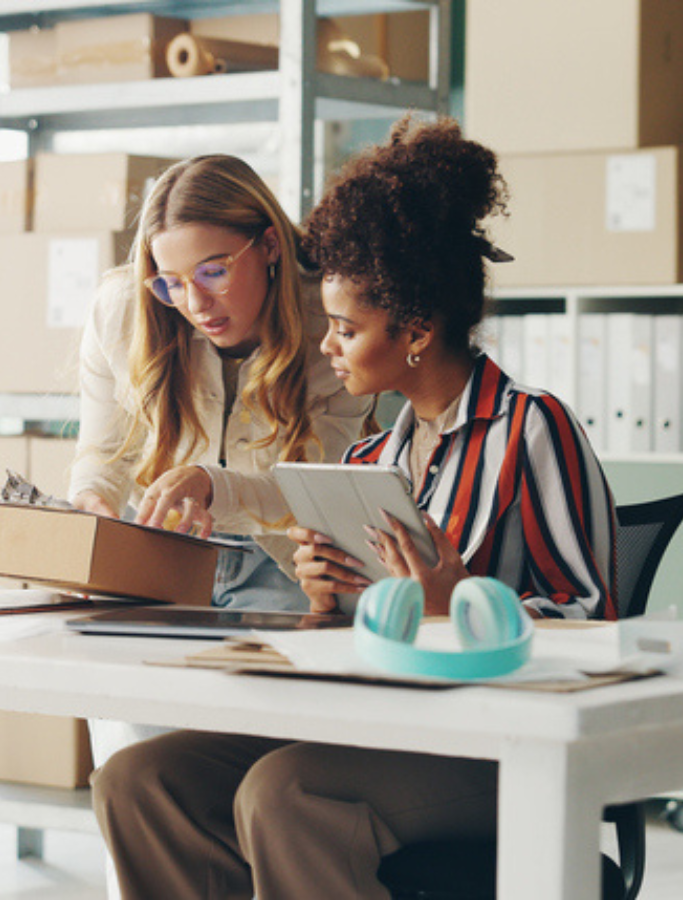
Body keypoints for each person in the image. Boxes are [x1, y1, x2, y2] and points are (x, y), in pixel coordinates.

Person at [89, 118, 617, 900]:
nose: (327, 348)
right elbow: (364, 634)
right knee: (141, 779)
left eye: (344, 328)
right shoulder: (372, 462)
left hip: (502, 739)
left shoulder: (532, 427)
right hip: (388, 721)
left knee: (287, 793)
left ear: (414, 331)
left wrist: (459, 604)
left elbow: (596, 626)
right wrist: (327, 599)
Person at [67, 154, 374, 613]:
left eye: (214, 272)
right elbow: (102, 453)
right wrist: (92, 502)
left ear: (269, 245)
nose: (194, 303)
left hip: (284, 561)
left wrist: (211, 485)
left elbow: (313, 492)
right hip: (159, 543)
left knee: (272, 676)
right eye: (171, 283)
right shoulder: (122, 310)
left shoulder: (332, 326)